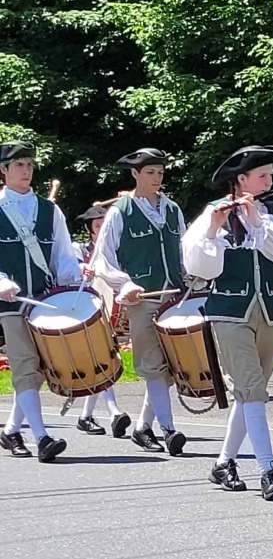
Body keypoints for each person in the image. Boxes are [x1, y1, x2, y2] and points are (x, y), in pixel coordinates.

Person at [182, 144, 273, 501]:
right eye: (262, 175)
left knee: (250, 395)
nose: (269, 180)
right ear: (241, 179)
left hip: (270, 310)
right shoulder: (212, 214)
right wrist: (212, 231)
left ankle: (223, 463)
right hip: (230, 312)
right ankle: (269, 469)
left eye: (269, 174)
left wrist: (258, 220)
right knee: (252, 390)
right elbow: (199, 269)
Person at [92, 148, 189, 455]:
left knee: (172, 368)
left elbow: (185, 253)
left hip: (173, 297)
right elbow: (102, 258)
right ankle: (169, 429)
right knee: (152, 366)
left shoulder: (172, 209)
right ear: (135, 174)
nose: (156, 179)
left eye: (160, 173)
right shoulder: (121, 211)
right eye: (150, 173)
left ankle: (142, 427)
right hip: (143, 298)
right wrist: (126, 284)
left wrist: (192, 282)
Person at [0, 141, 80, 462]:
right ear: (3, 170)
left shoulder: (50, 210)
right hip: (11, 302)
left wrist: (73, 283)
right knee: (24, 365)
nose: (26, 170)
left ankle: (10, 431)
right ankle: (42, 437)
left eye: (29, 164)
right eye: (19, 165)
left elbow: (62, 252)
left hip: (46, 300)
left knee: (38, 371)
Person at [72, 203, 131, 438]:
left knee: (103, 360)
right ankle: (114, 412)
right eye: (98, 226)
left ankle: (85, 417)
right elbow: (68, 268)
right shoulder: (80, 250)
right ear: (91, 230)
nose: (102, 230)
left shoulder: (116, 255)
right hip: (85, 312)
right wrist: (82, 269)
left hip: (110, 315)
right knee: (103, 360)